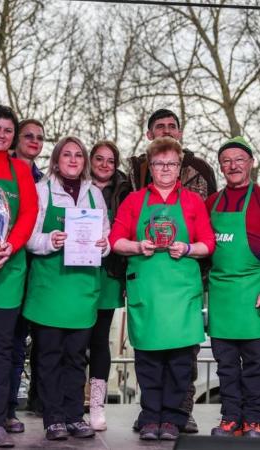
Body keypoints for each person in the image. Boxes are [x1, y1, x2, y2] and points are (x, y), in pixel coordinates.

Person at [110, 136, 214, 441]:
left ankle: (172, 418)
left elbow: (208, 244)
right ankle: (150, 416)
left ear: (179, 167)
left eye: (171, 163)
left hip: (181, 294)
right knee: (149, 361)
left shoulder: (193, 202)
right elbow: (115, 240)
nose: (165, 168)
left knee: (181, 362)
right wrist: (137, 245)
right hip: (149, 293)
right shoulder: (134, 201)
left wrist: (188, 247)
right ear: (150, 167)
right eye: (159, 163)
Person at [24, 136, 110, 440]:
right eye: (67, 155)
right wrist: (50, 241)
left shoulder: (94, 195)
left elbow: (106, 239)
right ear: (57, 159)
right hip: (50, 288)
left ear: (84, 162)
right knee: (49, 357)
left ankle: (75, 415)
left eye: (78, 156)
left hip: (82, 290)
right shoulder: (40, 191)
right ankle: (54, 418)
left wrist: (104, 245)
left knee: (77, 357)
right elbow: (28, 237)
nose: (73, 160)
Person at [0, 105, 39, 447]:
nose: (2, 134)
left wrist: (10, 246)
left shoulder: (20, 169)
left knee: (0, 350)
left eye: (7, 130)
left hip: (8, 270)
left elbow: (29, 213)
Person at [205, 136, 260, 438]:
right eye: (226, 160)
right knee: (225, 364)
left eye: (239, 159)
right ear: (221, 166)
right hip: (222, 295)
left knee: (255, 364)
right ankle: (231, 418)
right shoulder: (211, 203)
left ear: (250, 162)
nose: (233, 165)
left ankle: (254, 420)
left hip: (254, 293)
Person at [87, 139, 132, 431]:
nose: (105, 165)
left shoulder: (126, 191)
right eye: (99, 159)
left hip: (110, 271)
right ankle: (64, 401)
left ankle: (96, 405)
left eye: (110, 161)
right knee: (74, 340)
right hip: (75, 271)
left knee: (99, 339)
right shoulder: (74, 186)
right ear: (91, 160)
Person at [5, 118, 45, 434]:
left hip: (36, 275)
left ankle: (9, 409)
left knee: (20, 346)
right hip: (4, 270)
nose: (33, 141)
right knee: (2, 343)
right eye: (27, 135)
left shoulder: (43, 181)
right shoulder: (0, 172)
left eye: (39, 137)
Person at [127, 108, 217, 199]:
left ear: (179, 134)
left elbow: (212, 207)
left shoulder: (200, 167)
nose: (167, 131)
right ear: (149, 135)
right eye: (160, 126)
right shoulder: (137, 169)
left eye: (172, 126)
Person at [12, 118, 45, 183]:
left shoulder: (45, 182)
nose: (35, 141)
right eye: (29, 136)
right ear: (16, 139)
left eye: (40, 138)